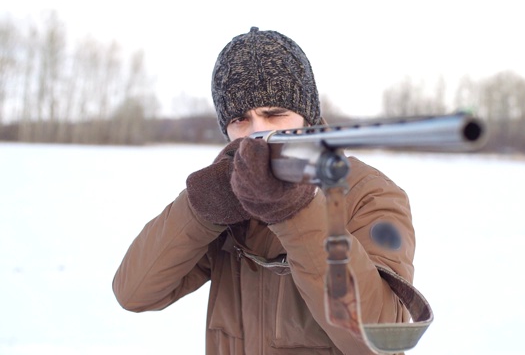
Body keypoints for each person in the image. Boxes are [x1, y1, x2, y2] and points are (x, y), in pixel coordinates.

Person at [113, 27, 416, 355]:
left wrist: (295, 210)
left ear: (307, 115)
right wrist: (200, 207)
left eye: (274, 114)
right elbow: (135, 293)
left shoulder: (370, 193)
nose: (259, 132)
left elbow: (383, 341)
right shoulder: (230, 190)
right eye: (241, 119)